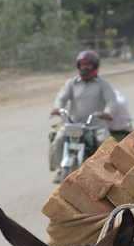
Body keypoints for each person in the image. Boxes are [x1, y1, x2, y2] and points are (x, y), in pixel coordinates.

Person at [49, 50, 121, 182]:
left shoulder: (102, 84)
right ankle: (60, 168)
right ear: (78, 66)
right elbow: (61, 98)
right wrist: (58, 108)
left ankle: (107, 176)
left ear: (95, 67)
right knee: (59, 140)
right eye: (82, 65)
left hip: (96, 126)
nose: (85, 68)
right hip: (74, 124)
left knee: (105, 145)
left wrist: (107, 112)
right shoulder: (71, 83)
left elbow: (112, 101)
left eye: (88, 65)